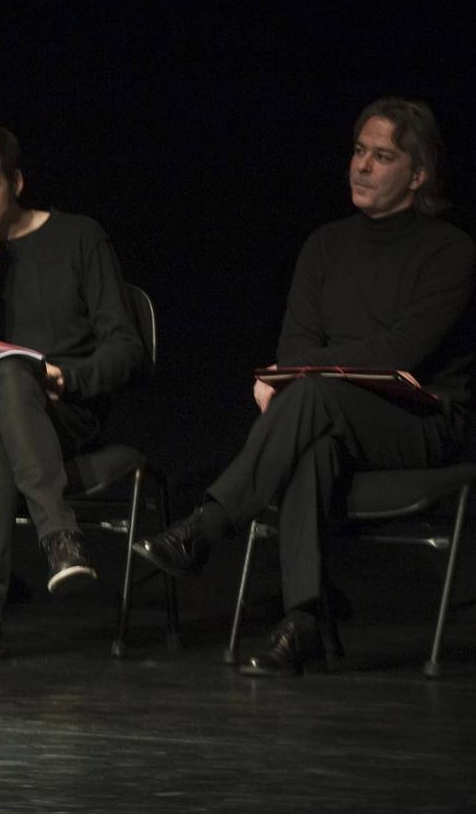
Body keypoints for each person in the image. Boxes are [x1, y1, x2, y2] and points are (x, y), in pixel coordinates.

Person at [134, 97, 475, 677]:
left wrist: (300, 376)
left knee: (312, 397)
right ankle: (304, 620)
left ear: (417, 175)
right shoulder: (325, 245)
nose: (362, 166)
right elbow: (295, 348)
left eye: (383, 156)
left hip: (423, 420)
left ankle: (207, 526)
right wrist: (295, 374)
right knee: (311, 439)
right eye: (359, 151)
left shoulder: (451, 252)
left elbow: (399, 354)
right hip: (330, 418)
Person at [0, 120, 145, 661]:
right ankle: (59, 538)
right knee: (3, 380)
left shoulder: (78, 237)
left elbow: (126, 348)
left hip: (65, 410)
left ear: (16, 182)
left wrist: (69, 377)